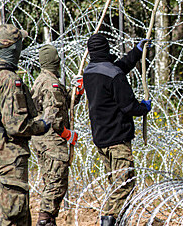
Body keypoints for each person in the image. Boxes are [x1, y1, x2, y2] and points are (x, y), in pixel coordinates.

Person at [0, 24, 50, 226]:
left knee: (10, 212)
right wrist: (42, 125)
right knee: (15, 216)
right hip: (9, 153)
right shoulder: (7, 78)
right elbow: (16, 126)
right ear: (14, 47)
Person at [83, 34, 151, 226]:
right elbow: (129, 106)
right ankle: (109, 220)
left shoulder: (90, 72)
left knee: (115, 185)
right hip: (117, 140)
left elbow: (118, 67)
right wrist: (144, 107)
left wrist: (136, 52)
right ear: (107, 49)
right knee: (124, 185)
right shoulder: (114, 75)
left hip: (101, 138)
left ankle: (117, 220)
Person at [32, 45, 82, 226]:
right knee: (57, 181)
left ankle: (48, 218)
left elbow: (64, 103)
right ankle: (45, 219)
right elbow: (53, 116)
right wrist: (66, 133)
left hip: (43, 140)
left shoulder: (43, 80)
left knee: (51, 179)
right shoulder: (51, 84)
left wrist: (77, 93)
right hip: (51, 140)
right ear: (55, 61)